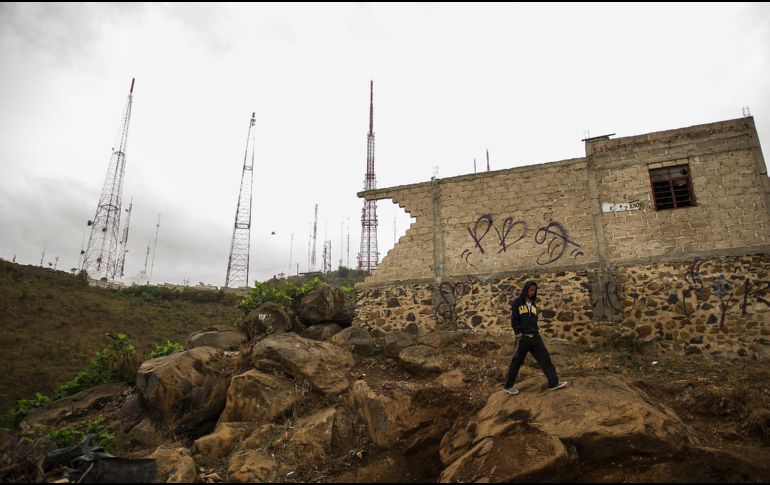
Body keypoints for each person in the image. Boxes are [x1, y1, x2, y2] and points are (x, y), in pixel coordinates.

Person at [503, 280, 568, 395]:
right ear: (526, 289)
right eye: (530, 290)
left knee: (545, 358)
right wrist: (518, 333)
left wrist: (537, 330)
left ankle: (554, 383)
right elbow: (514, 319)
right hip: (522, 338)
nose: (532, 292)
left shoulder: (533, 304)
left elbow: (534, 319)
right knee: (517, 361)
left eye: (534, 290)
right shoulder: (517, 302)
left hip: (535, 337)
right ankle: (508, 386)